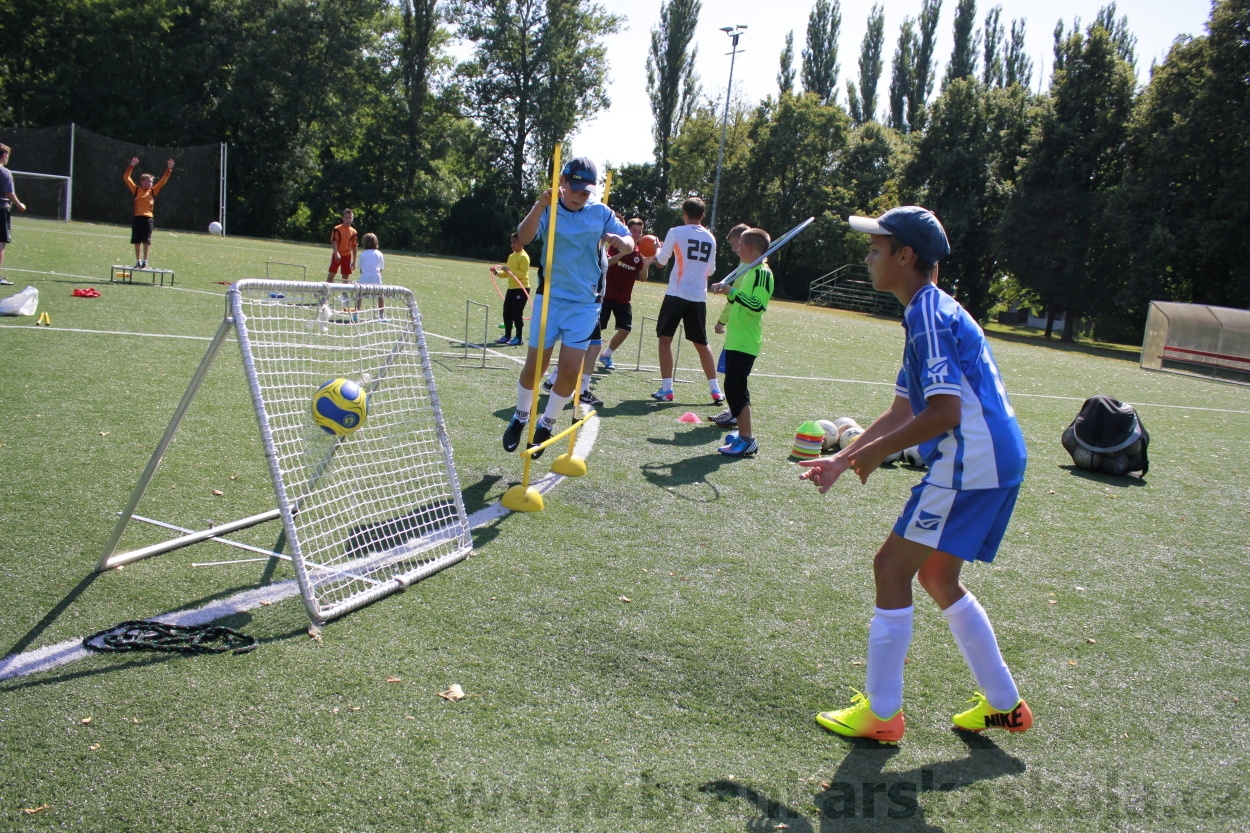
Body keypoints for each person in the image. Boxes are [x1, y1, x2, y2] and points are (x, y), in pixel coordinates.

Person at [798, 206, 1031, 744]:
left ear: (905, 256)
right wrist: (846, 456)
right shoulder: (926, 311)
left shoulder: (927, 314)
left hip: (971, 459)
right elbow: (904, 410)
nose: (868, 257)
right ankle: (1005, 705)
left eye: (876, 249)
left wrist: (864, 456)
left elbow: (944, 413)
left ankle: (883, 712)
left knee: (890, 568)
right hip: (994, 456)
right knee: (936, 576)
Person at [503, 157, 631, 459]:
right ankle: (521, 416)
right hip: (551, 299)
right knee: (536, 367)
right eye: (574, 189)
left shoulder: (601, 212)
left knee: (571, 369)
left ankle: (546, 423)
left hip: (586, 303)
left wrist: (620, 241)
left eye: (585, 192)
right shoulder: (549, 209)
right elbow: (523, 238)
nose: (579, 196)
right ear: (562, 182)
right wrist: (540, 204)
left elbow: (628, 242)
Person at [651, 197, 724, 405]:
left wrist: (657, 249)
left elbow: (660, 262)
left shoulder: (676, 232)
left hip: (676, 294)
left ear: (684, 213)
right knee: (702, 343)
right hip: (698, 297)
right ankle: (715, 390)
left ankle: (667, 389)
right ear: (702, 216)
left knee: (665, 339)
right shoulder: (710, 238)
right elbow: (710, 270)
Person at [708, 227, 773, 456]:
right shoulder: (750, 270)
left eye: (738, 245)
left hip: (746, 341)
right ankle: (744, 435)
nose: (735, 248)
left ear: (749, 247)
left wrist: (731, 292)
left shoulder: (762, 273)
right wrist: (727, 290)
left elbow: (758, 306)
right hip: (737, 339)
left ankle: (747, 439)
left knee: (736, 389)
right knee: (734, 387)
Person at [597, 217, 652, 369]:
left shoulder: (638, 254)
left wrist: (646, 265)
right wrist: (622, 253)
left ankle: (606, 355)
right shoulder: (616, 246)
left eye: (639, 232)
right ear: (628, 231)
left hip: (623, 299)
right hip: (606, 296)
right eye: (633, 231)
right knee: (596, 328)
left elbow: (642, 278)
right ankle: (581, 354)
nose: (636, 234)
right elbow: (607, 263)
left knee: (625, 329)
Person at [124, 156, 174, 267]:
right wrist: (131, 165)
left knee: (146, 241)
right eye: (148, 181)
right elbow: (126, 178)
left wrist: (169, 169)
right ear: (142, 181)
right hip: (137, 218)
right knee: (136, 241)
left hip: (148, 219)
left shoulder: (153, 190)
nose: (150, 183)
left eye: (151, 181)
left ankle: (145, 262)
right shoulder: (136, 189)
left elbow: (162, 181)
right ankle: (138, 261)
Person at [491, 232, 530, 345]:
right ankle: (507, 336)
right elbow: (506, 273)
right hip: (512, 288)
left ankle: (518, 337)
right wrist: (497, 273)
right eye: (511, 242)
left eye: (515, 242)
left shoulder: (524, 257)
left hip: (521, 288)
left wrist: (509, 271)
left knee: (516, 313)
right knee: (506, 312)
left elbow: (522, 274)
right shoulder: (511, 256)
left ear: (521, 242)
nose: (512, 244)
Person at [0, 144, 27, 285]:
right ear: (4, 155)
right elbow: (9, 193)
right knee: (0, 244)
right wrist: (19, 205)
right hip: (1, 209)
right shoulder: (4, 172)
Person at [356, 232, 386, 318]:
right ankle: (381, 315)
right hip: (376, 277)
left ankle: (355, 314)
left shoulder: (363, 254)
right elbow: (380, 269)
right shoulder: (379, 253)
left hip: (364, 277)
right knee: (380, 296)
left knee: (359, 296)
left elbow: (361, 269)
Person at [326, 209, 358, 283]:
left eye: (350, 218)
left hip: (347, 256)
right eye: (346, 217)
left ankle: (344, 293)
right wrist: (336, 253)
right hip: (337, 255)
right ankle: (325, 292)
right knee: (331, 273)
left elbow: (354, 246)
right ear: (342, 218)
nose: (348, 220)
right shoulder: (337, 229)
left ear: (352, 219)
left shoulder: (353, 231)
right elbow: (333, 241)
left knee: (345, 276)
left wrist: (354, 261)